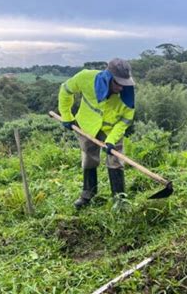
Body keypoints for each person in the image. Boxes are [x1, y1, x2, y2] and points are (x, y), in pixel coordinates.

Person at [58, 58, 135, 209]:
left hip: (112, 130)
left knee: (115, 160)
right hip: (87, 126)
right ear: (108, 78)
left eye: (124, 84)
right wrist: (66, 116)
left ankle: (119, 199)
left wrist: (111, 140)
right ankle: (88, 194)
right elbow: (65, 90)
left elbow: (126, 120)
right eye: (118, 84)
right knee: (89, 157)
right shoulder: (85, 78)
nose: (121, 88)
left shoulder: (127, 95)